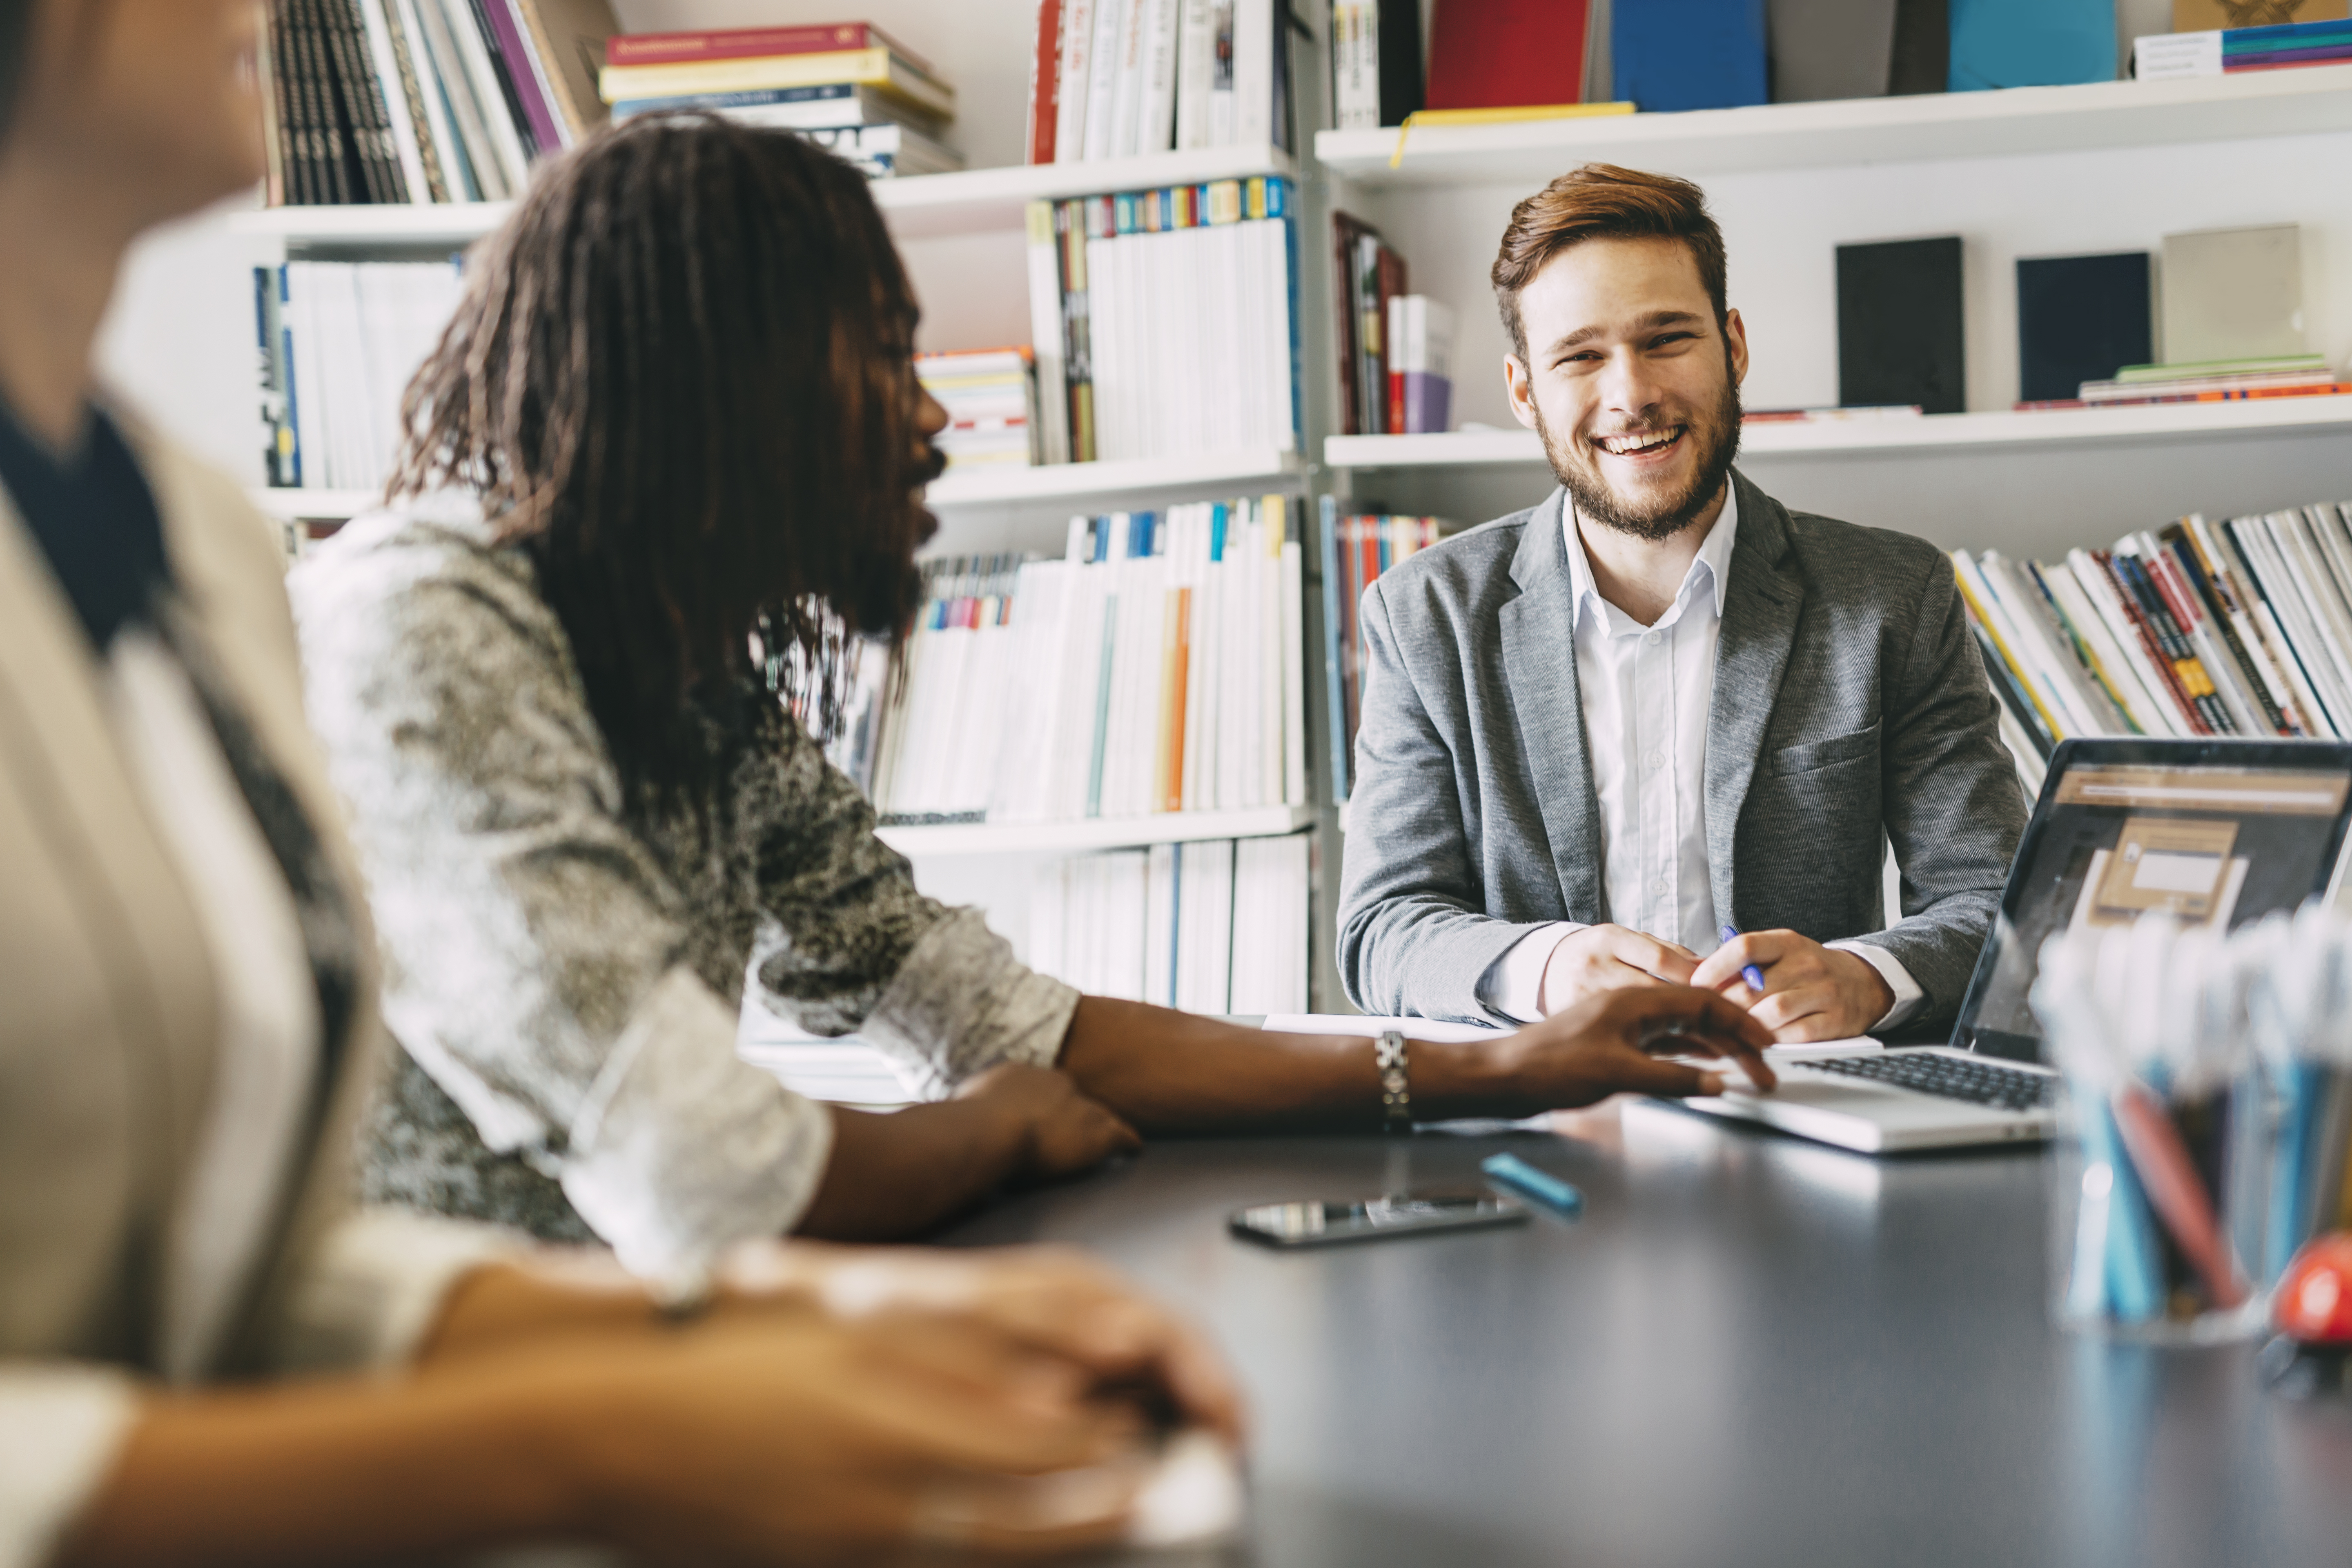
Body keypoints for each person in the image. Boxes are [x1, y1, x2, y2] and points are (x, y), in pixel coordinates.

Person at [0, 2, 1241, 1562]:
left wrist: (813, 1316)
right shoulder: (401, 610)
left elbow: (256, 1275)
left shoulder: (188, 536)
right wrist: (618, 1427)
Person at [287, 116, 1778, 1271]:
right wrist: (974, 1140)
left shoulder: (697, 679)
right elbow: (705, 1167)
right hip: (388, 1439)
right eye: (882, 356)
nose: (933, 414)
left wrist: (1508, 1070)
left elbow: (1016, 1026)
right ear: (719, 380)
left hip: (601, 1364)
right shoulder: (428, 626)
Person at [1336, 163, 2028, 1040]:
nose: (1631, 395)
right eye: (1581, 356)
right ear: (1523, 392)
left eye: (1666, 339)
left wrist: (1864, 979)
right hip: (1543, 1125)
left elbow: (1995, 901)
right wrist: (1545, 968)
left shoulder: (1895, 596)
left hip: (1807, 1118)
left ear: (1732, 347)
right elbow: (1382, 930)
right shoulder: (1424, 616)